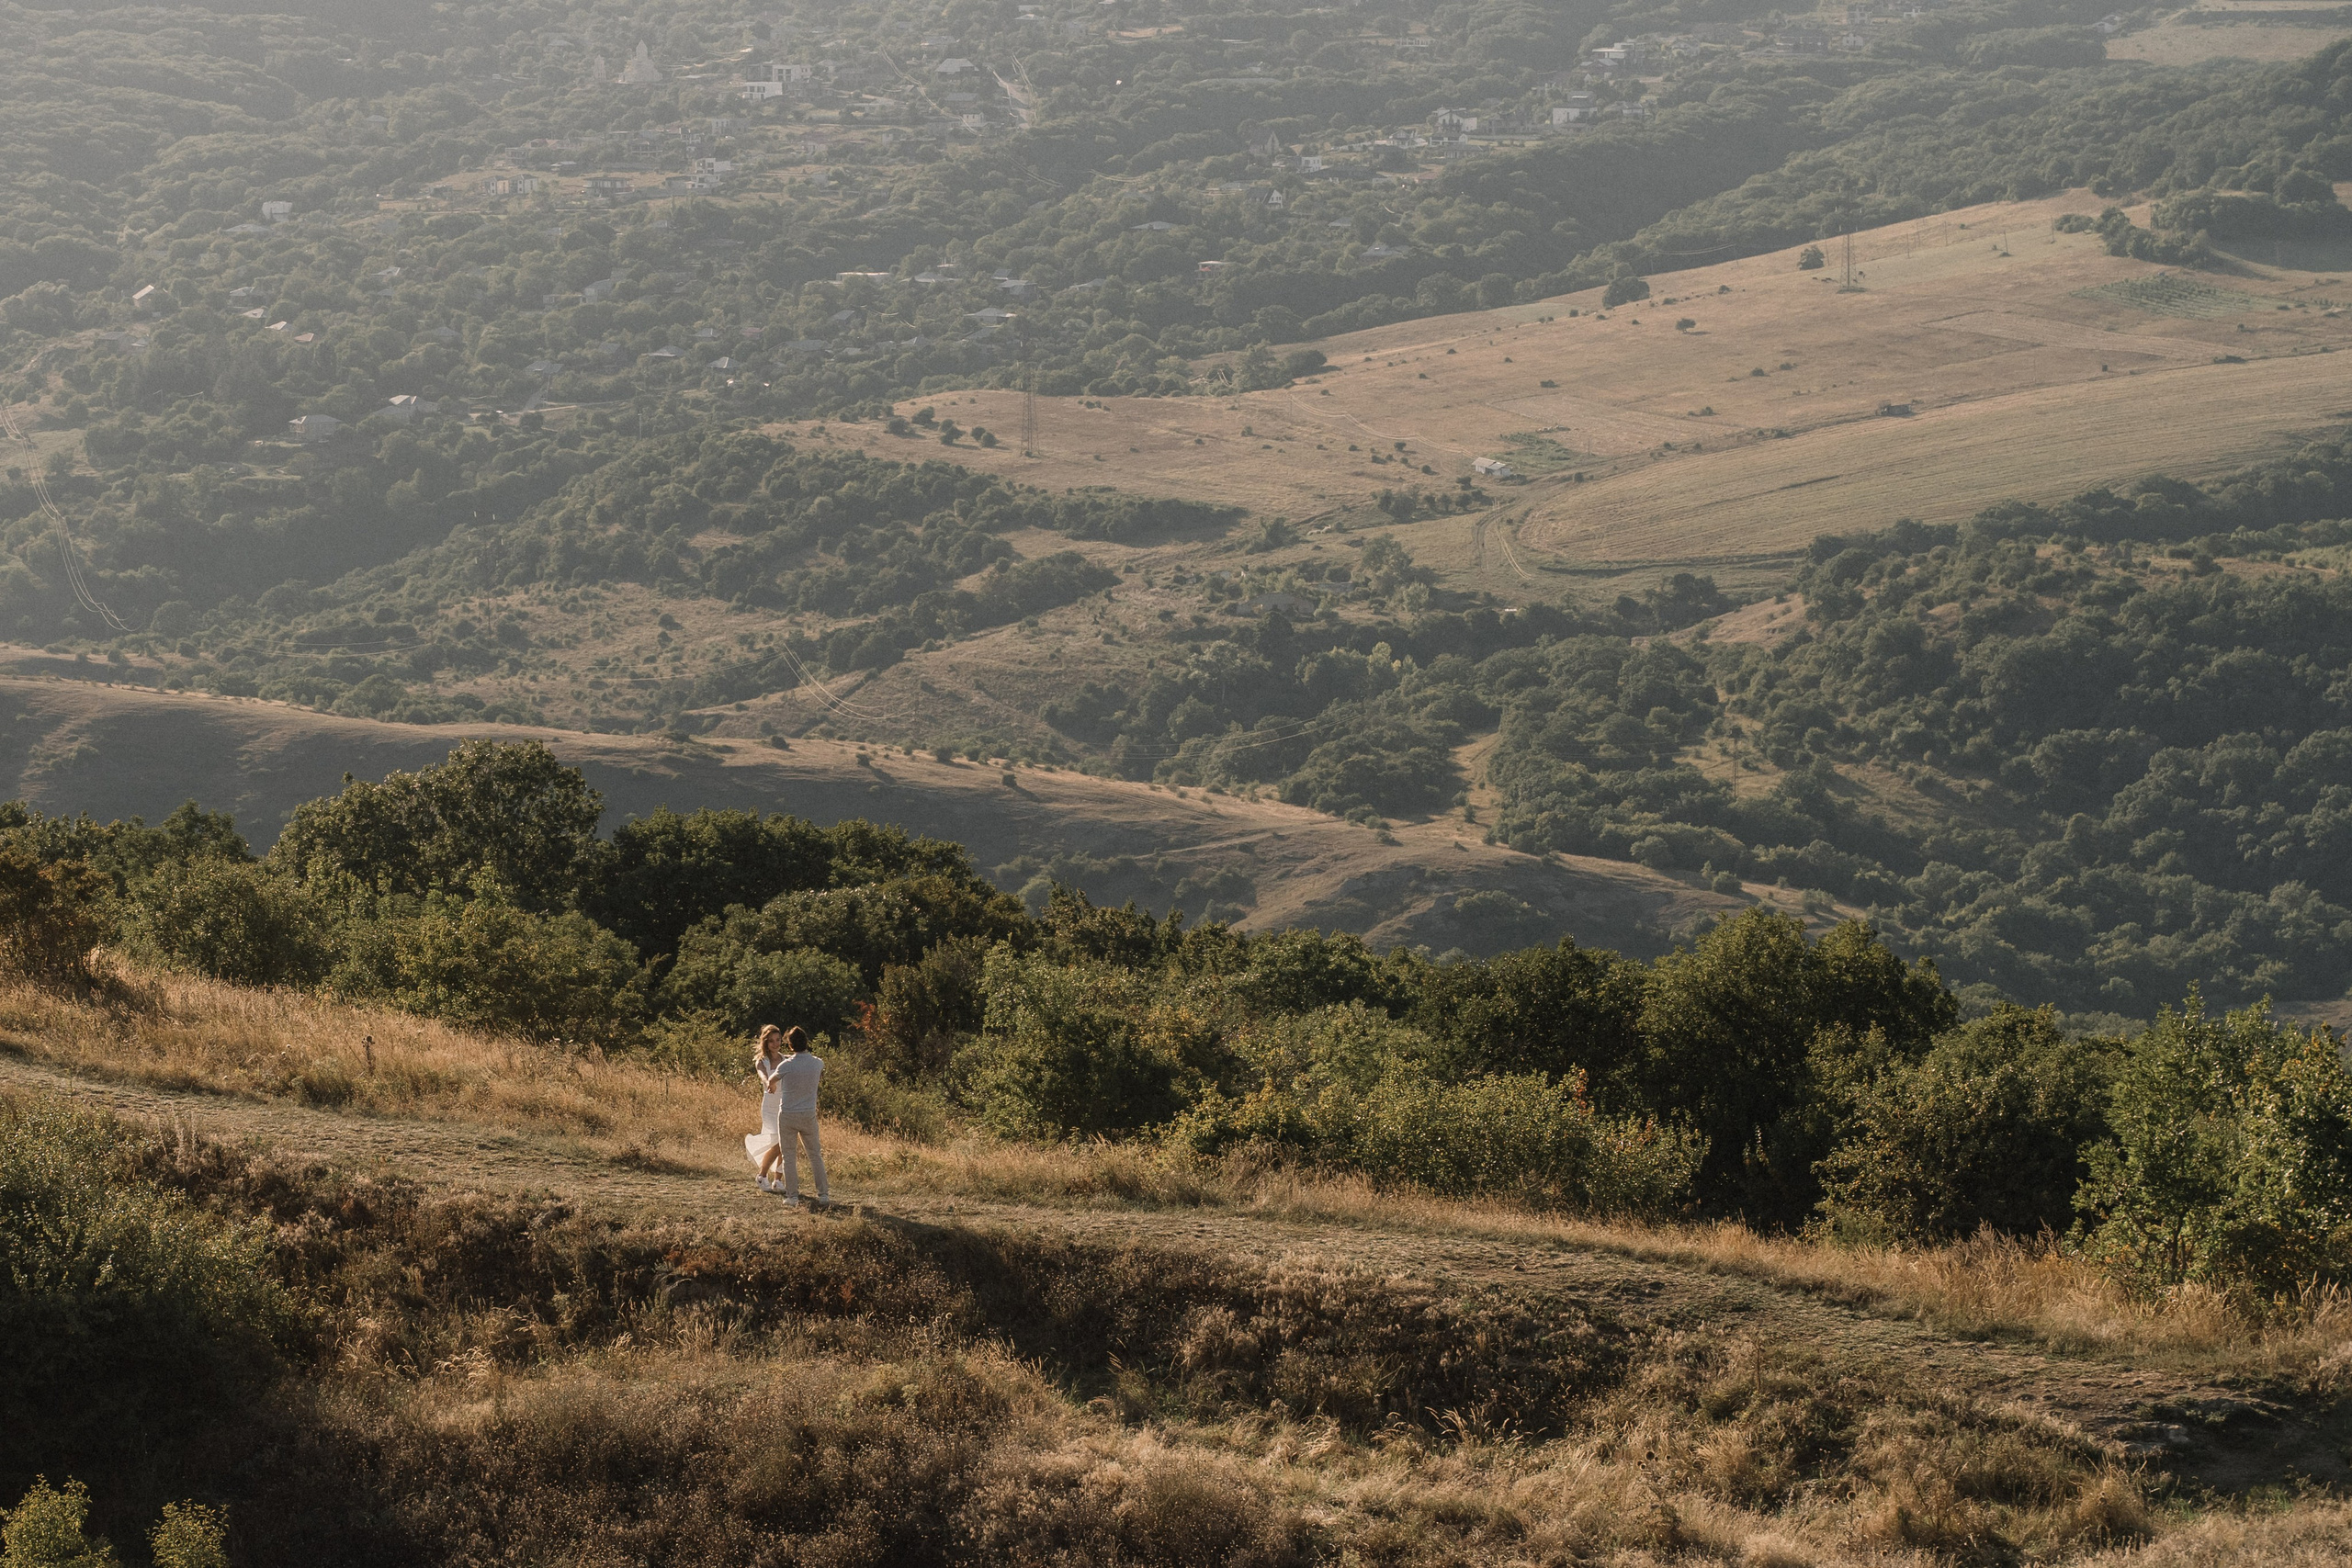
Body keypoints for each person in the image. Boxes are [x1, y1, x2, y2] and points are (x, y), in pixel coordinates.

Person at [771, 1024, 829, 1209]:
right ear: (806, 1042)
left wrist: (771, 1086)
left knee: (789, 1156)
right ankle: (824, 1194)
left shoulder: (786, 1065)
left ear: (790, 1045)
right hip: (808, 1114)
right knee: (815, 1155)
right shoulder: (817, 1063)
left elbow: (772, 1080)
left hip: (788, 1114)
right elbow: (820, 1070)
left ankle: (793, 1196)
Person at [743, 1025, 787, 1192]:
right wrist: (769, 1081)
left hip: (784, 1104)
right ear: (766, 1043)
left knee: (785, 1143)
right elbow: (762, 1074)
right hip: (770, 1105)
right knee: (778, 1142)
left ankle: (778, 1180)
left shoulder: (786, 1059)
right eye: (771, 1041)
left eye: (778, 1040)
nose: (775, 1044)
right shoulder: (762, 1060)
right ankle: (762, 1176)